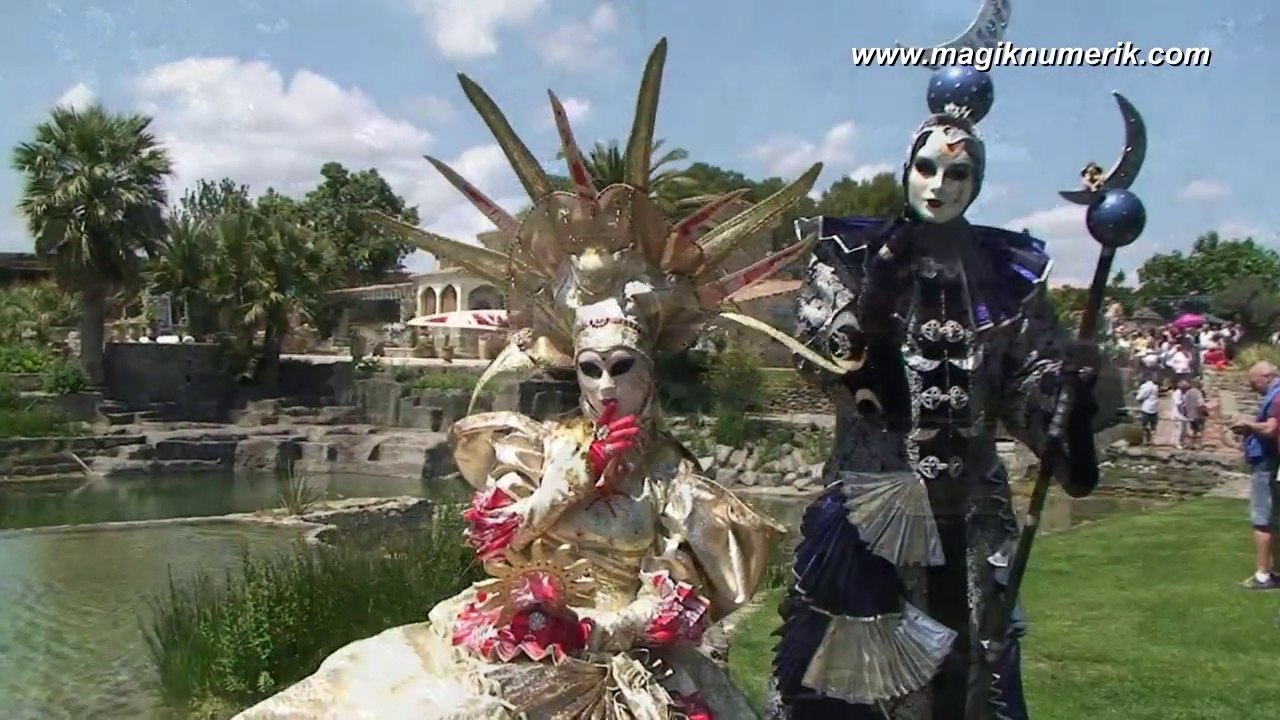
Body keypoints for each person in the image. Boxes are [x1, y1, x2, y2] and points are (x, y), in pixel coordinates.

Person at [235, 39, 820, 718]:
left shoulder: (673, 479)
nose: (604, 388)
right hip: (528, 641)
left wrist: (614, 625)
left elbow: (683, 596)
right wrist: (561, 488)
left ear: (650, 374)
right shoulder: (539, 447)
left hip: (622, 658)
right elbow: (496, 546)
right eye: (591, 369)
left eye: (621, 369)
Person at [767, 77, 1119, 720]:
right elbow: (824, 356)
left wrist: (1074, 387)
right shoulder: (852, 255)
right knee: (855, 676)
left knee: (969, 670)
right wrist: (871, 322)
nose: (938, 185)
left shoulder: (1006, 278)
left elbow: (1029, 390)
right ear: (907, 170)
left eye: (957, 175)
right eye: (926, 168)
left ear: (975, 183)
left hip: (972, 515)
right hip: (872, 509)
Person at [1230, 361, 1280, 590]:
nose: (1252, 387)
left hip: (1267, 462)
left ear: (1266, 376)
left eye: (1253, 382)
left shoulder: (1277, 396)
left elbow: (1271, 428)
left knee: (1262, 518)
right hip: (1272, 462)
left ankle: (1262, 575)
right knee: (1275, 518)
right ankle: (1276, 572)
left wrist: (1248, 424)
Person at [1136, 375, 1160, 444]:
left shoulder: (1146, 386)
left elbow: (1140, 396)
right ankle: (1152, 440)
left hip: (1147, 408)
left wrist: (1137, 397)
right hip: (1154, 408)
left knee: (1144, 425)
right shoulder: (1155, 386)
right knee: (1153, 426)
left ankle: (1145, 440)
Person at [1183, 379, 1206, 450]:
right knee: (1199, 430)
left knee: (1191, 429)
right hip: (1197, 414)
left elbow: (1184, 404)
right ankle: (1198, 445)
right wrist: (1204, 412)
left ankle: (1190, 444)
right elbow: (1201, 404)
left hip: (1189, 414)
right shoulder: (1198, 393)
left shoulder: (1187, 393)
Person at [1170, 380, 1189, 450]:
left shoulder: (1184, 393)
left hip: (1183, 414)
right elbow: (1178, 404)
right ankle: (1177, 443)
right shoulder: (1177, 393)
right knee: (1179, 429)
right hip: (1178, 414)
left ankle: (1178, 442)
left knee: (1183, 430)